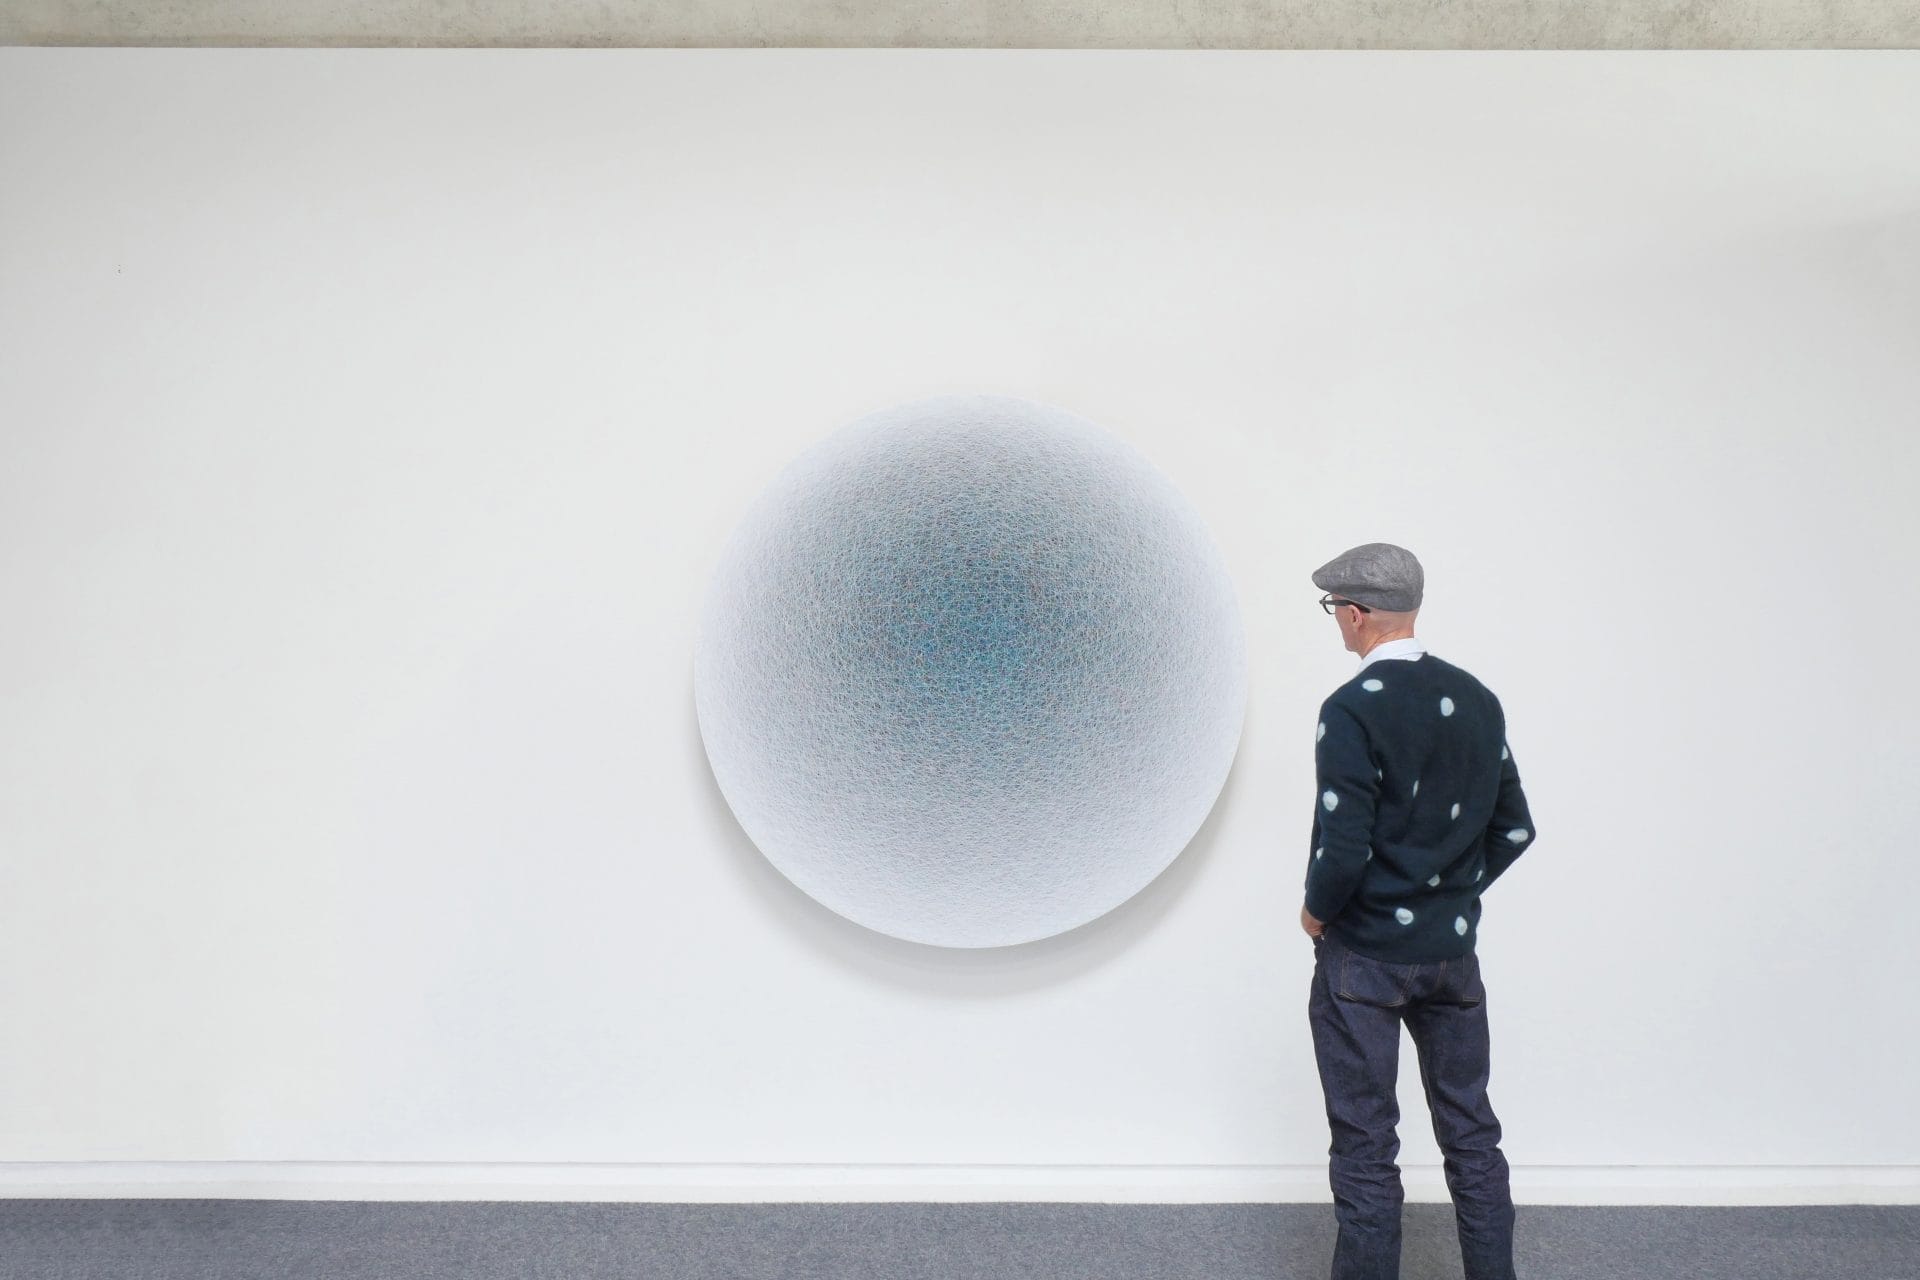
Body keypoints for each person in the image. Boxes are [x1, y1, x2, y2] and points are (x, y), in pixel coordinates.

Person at [1300, 541, 1536, 1280]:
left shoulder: (1351, 708)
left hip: (1364, 960)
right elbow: (1515, 828)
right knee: (1472, 1134)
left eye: (1334, 609)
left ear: (1357, 614)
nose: (1336, 621)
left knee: (1366, 1143)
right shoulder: (1478, 699)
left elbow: (1344, 848)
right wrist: (1450, 894)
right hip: (1452, 956)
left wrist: (1315, 912)